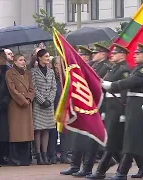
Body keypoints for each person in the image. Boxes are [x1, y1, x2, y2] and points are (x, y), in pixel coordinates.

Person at [101, 43, 143, 180]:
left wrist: (112, 85)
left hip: (138, 108)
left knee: (133, 141)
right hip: (133, 107)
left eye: (138, 54)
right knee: (136, 141)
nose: (135, 55)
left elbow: (130, 82)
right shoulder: (139, 68)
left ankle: (122, 173)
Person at [86, 44, 131, 180]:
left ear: (122, 55)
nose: (112, 55)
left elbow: (124, 91)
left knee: (111, 141)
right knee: (114, 142)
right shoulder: (114, 68)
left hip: (118, 107)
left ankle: (101, 171)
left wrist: (123, 112)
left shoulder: (124, 70)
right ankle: (140, 166)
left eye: (116, 53)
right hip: (111, 107)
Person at [60, 46, 99, 177]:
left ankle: (86, 167)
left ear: (86, 57)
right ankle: (75, 165)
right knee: (77, 138)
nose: (79, 58)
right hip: (79, 107)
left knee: (87, 139)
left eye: (81, 56)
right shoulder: (80, 69)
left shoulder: (91, 69)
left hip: (89, 107)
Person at [6, 54, 35, 166]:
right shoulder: (10, 73)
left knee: (26, 133)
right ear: (15, 61)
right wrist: (23, 100)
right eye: (20, 60)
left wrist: (28, 98)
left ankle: (26, 158)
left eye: (24, 60)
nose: (23, 62)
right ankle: (15, 158)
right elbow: (12, 89)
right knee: (16, 133)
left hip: (27, 105)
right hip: (16, 105)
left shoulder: (28, 73)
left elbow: (32, 88)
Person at [31, 49, 57, 165]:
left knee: (47, 129)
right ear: (39, 57)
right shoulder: (33, 71)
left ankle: (45, 154)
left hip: (49, 105)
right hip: (38, 104)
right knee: (38, 130)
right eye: (46, 56)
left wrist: (50, 100)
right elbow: (33, 88)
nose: (48, 58)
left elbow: (54, 87)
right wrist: (42, 100)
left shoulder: (51, 72)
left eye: (48, 56)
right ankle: (38, 154)